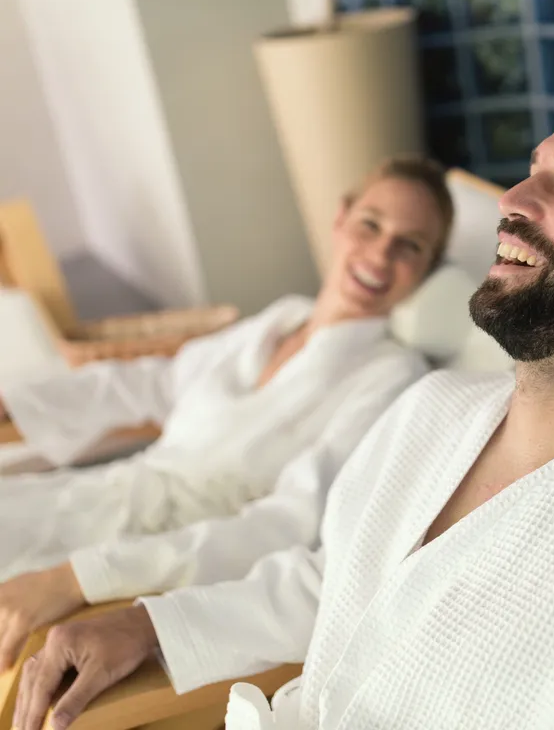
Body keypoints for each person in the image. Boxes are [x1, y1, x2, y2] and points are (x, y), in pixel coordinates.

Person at [14, 68, 554, 730]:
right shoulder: (434, 411)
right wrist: (150, 623)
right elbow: (336, 582)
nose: (516, 201)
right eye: (534, 170)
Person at [0, 155, 454, 674]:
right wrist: (16, 403)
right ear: (340, 219)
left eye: (410, 245)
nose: (380, 253)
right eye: (370, 225)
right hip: (91, 498)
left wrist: (79, 576)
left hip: (158, 562)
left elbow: (287, 523)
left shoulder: (391, 376)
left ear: (427, 270)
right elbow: (159, 381)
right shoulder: (284, 318)